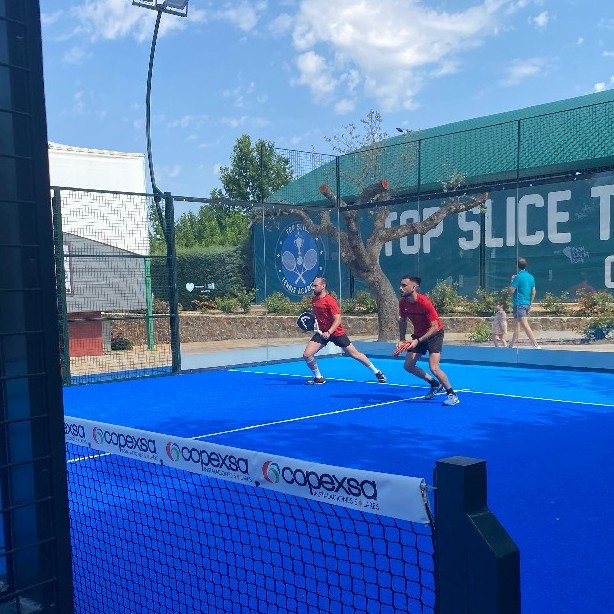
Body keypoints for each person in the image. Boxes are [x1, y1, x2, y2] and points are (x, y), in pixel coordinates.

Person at [302, 277, 386, 385]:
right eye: (312, 285)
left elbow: (338, 319)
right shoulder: (314, 300)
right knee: (307, 354)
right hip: (322, 333)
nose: (313, 288)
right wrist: (308, 325)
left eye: (315, 286)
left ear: (323, 286)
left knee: (355, 354)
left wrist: (329, 332)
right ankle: (318, 377)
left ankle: (377, 372)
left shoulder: (330, 301)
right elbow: (314, 314)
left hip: (336, 333)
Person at [397, 275, 459, 406]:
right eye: (400, 285)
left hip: (434, 334)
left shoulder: (424, 302)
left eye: (404, 285)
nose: (400, 288)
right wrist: (402, 339)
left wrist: (417, 341)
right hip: (418, 335)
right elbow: (402, 320)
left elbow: (435, 327)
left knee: (434, 368)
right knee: (408, 366)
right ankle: (434, 384)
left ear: (414, 287)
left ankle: (452, 395)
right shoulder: (403, 302)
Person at [508, 258, 541, 349]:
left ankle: (536, 344)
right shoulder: (531, 277)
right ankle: (511, 345)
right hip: (526, 304)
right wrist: (530, 304)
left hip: (519, 304)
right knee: (517, 325)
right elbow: (533, 292)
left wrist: (512, 281)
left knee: (524, 324)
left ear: (516, 266)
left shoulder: (518, 277)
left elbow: (511, 290)